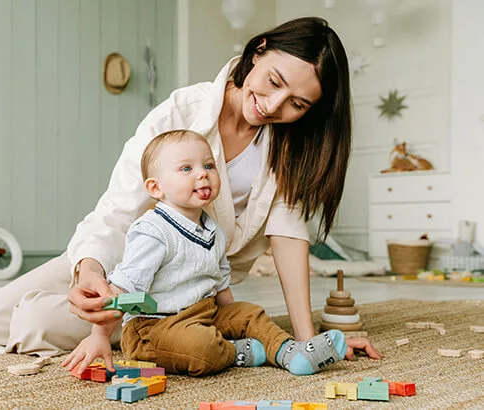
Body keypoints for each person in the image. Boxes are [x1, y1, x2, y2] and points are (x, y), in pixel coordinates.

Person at [0, 16, 382, 362]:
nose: (273, 105)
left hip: (182, 292)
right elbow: (117, 210)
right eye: (273, 81)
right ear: (259, 50)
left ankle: (157, 329)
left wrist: (307, 341)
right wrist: (88, 272)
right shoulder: (183, 111)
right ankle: (46, 298)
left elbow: (288, 237)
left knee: (34, 323)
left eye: (297, 104)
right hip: (122, 256)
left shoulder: (290, 148)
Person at [61, 129, 348, 377]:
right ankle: (234, 352)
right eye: (187, 169)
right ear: (155, 187)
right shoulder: (153, 231)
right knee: (202, 347)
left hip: (204, 313)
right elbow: (123, 289)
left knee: (251, 313)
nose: (202, 174)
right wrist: (99, 335)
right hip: (154, 328)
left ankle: (291, 353)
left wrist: (235, 321)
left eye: (209, 166)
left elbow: (220, 282)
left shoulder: (214, 230)